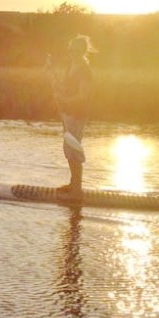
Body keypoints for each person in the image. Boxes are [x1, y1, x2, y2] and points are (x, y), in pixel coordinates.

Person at [49, 34, 96, 196]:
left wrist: (64, 99)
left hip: (77, 113)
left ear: (83, 51)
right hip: (67, 112)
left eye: (76, 50)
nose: (72, 53)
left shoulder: (84, 69)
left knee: (73, 148)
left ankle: (77, 189)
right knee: (68, 147)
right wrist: (52, 73)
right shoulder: (72, 65)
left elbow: (84, 95)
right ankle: (73, 183)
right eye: (70, 50)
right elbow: (64, 86)